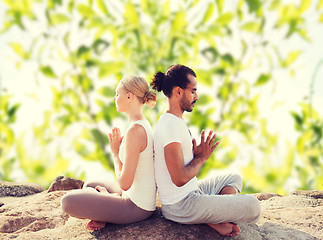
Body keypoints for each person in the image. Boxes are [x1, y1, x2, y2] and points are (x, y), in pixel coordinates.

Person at [151, 64, 261, 237]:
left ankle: (214, 217)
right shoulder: (169, 125)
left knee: (234, 178)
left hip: (193, 192)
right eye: (193, 91)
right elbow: (179, 178)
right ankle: (213, 216)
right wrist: (200, 158)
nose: (196, 96)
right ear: (179, 92)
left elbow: (178, 166)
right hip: (180, 205)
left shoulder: (175, 120)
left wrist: (193, 157)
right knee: (253, 206)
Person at [61, 75, 157, 231]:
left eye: (117, 94)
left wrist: (115, 153)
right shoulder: (140, 124)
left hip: (136, 206)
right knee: (90, 184)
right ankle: (106, 209)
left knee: (67, 202)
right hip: (131, 195)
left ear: (129, 96)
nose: (114, 99)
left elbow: (124, 183)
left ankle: (107, 206)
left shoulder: (135, 131)